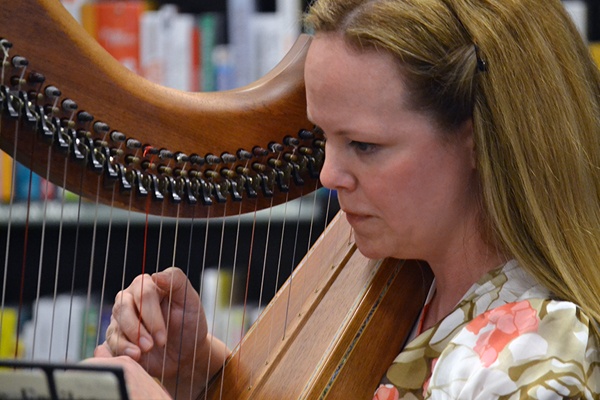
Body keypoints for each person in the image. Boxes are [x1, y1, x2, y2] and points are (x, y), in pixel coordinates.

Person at [85, 0, 600, 398]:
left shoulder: (538, 358)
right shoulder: (412, 280)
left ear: (478, 140)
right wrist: (200, 370)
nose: (329, 175)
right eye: (322, 140)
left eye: (364, 145)